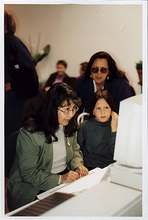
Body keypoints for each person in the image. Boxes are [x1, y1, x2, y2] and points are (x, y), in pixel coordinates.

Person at [7, 82, 89, 211]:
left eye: (73, 109)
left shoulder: (68, 124)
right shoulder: (30, 133)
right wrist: (60, 179)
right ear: (52, 107)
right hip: (33, 187)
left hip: (62, 179)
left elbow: (75, 149)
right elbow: (28, 174)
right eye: (66, 109)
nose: (71, 114)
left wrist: (78, 165)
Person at [4, 10, 39, 142]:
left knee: (12, 132)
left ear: (6, 24)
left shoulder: (13, 42)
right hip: (12, 95)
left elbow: (28, 71)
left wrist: (12, 85)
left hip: (15, 95)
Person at [77, 90, 118, 170]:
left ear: (111, 110)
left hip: (110, 168)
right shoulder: (85, 126)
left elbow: (117, 155)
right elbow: (78, 151)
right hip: (89, 168)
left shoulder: (117, 125)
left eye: (106, 108)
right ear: (93, 111)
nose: (102, 112)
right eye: (98, 108)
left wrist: (114, 129)